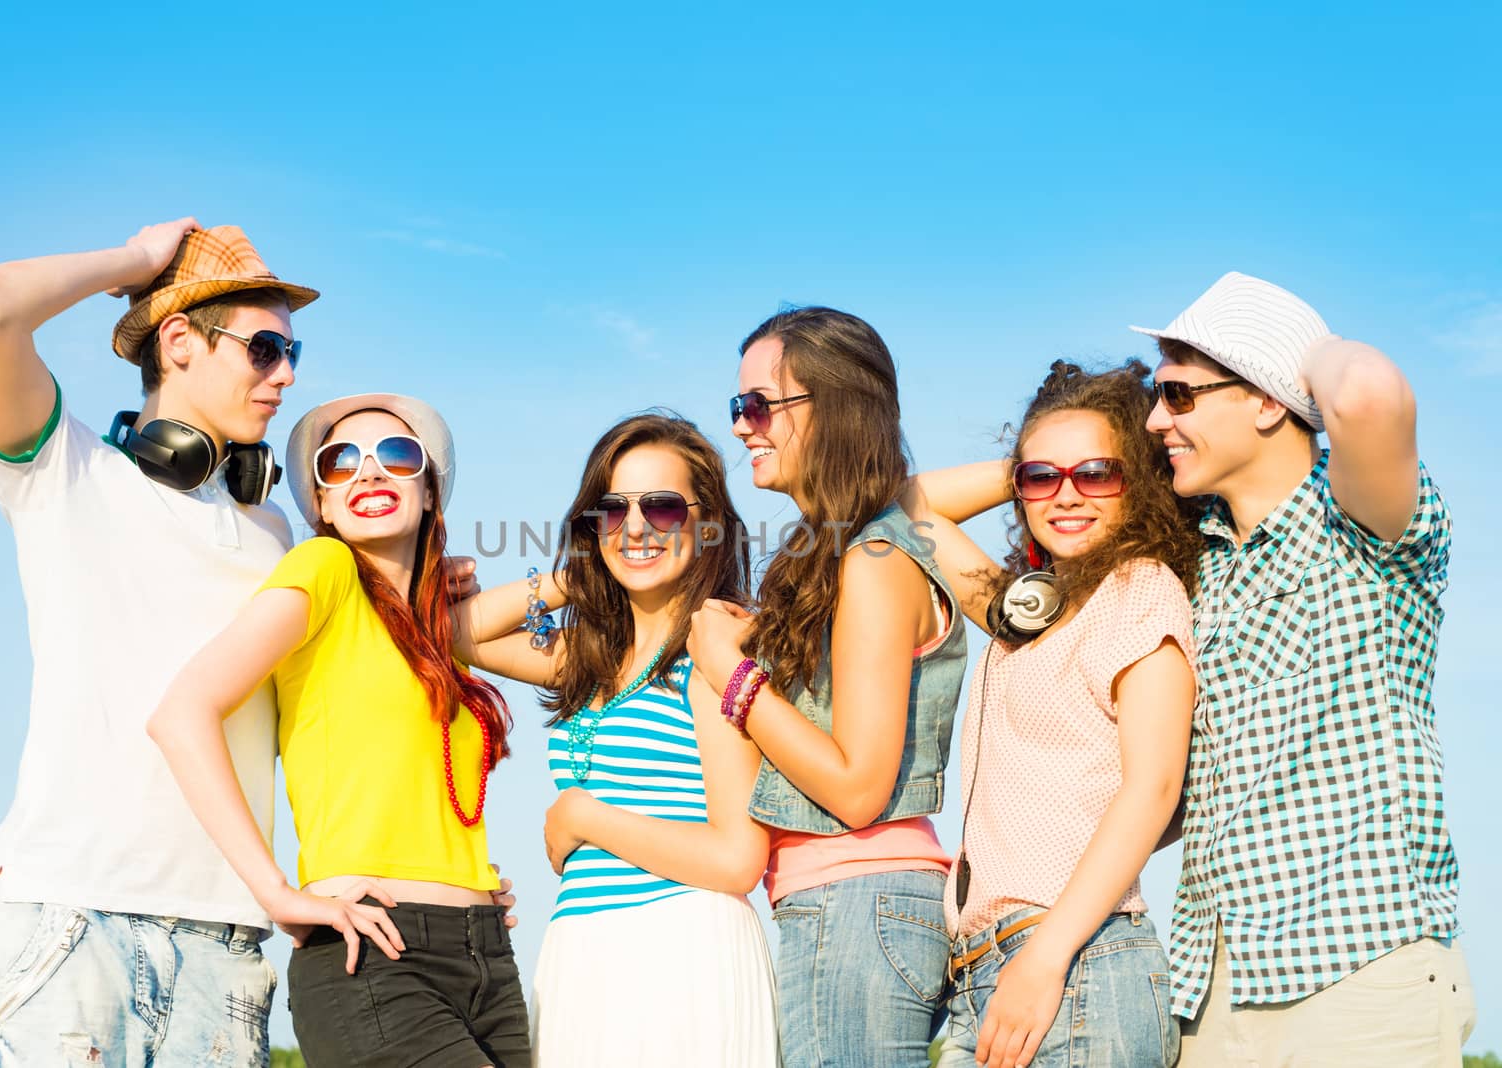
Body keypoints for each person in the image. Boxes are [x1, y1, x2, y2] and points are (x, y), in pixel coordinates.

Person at [0, 220, 314, 1066]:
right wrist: (136, 265)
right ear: (180, 340)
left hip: (225, 950)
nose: (285, 375)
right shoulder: (63, 471)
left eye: (295, 353)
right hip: (68, 923)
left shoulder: (278, 533)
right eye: (263, 349)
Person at [1133, 272, 1475, 1064]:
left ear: (1265, 401)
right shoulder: (1197, 568)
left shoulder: (1364, 533)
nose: (1157, 420)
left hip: (1358, 976)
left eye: (1180, 393)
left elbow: (1366, 397)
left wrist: (1292, 349)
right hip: (1209, 988)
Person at [150, 393, 529, 1067]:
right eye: (340, 462)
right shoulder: (324, 571)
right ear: (321, 505)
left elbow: (573, 670)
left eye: (397, 455)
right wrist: (276, 894)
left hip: (487, 958)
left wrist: (468, 884)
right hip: (374, 956)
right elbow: (182, 713)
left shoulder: (437, 632)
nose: (369, 471)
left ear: (430, 492)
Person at [687, 307, 969, 1067]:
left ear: (835, 407)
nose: (742, 426)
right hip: (855, 908)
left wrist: (733, 677)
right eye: (736, 408)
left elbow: (857, 788)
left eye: (759, 405)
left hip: (856, 902)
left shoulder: (874, 563)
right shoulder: (844, 549)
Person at [453, 412, 779, 1067]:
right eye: (612, 510)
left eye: (660, 508)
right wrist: (583, 570)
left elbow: (737, 858)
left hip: (680, 950)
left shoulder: (715, 651)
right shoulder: (585, 658)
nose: (634, 526)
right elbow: (454, 632)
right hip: (582, 953)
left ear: (707, 523)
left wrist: (585, 815)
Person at [905, 360, 1200, 1068]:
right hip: (990, 968)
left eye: (1097, 472)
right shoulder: (1026, 612)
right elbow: (907, 506)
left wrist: (1044, 960)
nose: (1065, 494)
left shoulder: (1141, 588)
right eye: (1040, 478)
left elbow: (1153, 788)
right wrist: (1025, 456)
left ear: (1142, 478)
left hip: (1073, 964)